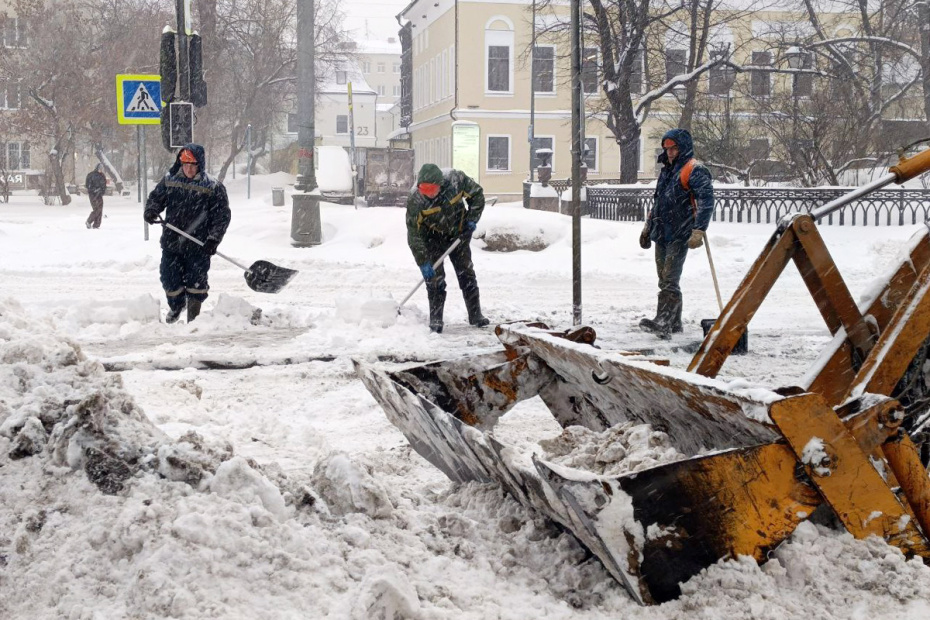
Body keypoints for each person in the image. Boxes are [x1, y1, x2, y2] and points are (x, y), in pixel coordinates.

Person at [639, 128, 714, 339]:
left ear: (683, 147)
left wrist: (699, 229)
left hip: (680, 232)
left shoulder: (694, 169)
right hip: (662, 231)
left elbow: (706, 201)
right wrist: (648, 227)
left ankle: (663, 321)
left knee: (670, 278)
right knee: (664, 277)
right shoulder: (667, 170)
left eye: (673, 148)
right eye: (667, 149)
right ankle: (674, 323)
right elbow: (658, 200)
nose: (670, 153)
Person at [143, 144, 230, 324]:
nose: (188, 169)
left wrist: (213, 239)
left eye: (192, 165)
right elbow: (156, 198)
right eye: (185, 164)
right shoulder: (171, 179)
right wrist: (151, 210)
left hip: (199, 245)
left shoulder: (212, 186)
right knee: (169, 278)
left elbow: (221, 216)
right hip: (172, 242)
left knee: (196, 283)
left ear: (200, 164)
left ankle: (194, 319)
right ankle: (176, 305)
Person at [406, 163, 489, 333]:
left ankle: (475, 315)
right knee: (435, 280)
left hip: (459, 235)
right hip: (432, 239)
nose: (428, 193)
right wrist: (423, 261)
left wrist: (471, 220)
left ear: (440, 184)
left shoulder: (456, 181)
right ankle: (436, 320)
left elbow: (477, 195)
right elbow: (414, 234)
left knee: (466, 273)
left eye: (432, 188)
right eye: (424, 189)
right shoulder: (416, 200)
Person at [84, 164, 107, 229]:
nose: (100, 170)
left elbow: (104, 185)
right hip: (93, 195)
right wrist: (94, 190)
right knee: (97, 209)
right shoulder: (91, 175)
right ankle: (89, 221)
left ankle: (96, 225)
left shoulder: (102, 176)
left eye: (101, 169)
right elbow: (88, 186)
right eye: (100, 168)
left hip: (99, 195)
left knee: (100, 210)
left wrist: (102, 191)